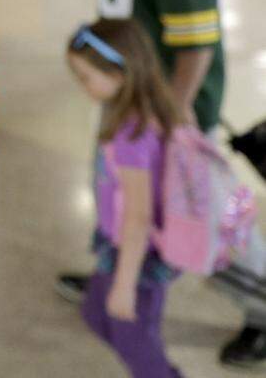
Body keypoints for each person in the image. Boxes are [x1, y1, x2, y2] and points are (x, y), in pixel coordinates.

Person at [57, 0, 266, 369]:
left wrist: (169, 116)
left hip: (164, 104)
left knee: (194, 213)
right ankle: (115, 265)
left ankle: (262, 304)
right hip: (133, 92)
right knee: (128, 196)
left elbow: (196, 37)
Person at [67, 19, 186, 377]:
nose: (83, 87)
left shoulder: (132, 135)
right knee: (95, 314)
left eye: (86, 77)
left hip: (137, 256)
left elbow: (138, 217)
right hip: (117, 244)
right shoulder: (144, 111)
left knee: (137, 346)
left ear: (120, 74)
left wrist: (124, 284)